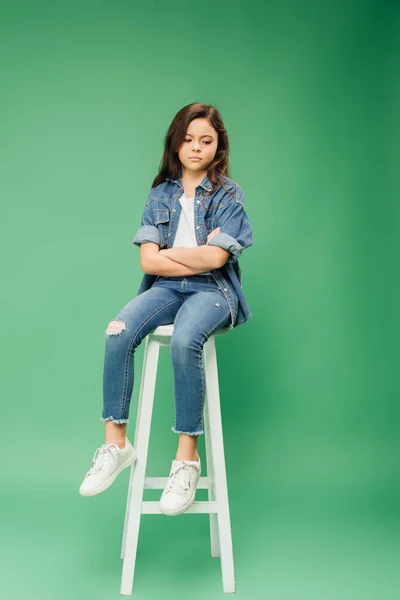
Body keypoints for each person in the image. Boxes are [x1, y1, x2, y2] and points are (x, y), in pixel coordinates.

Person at [79, 102, 254, 516]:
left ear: (218, 146)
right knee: (118, 330)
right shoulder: (160, 193)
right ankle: (116, 444)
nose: (196, 148)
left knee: (185, 339)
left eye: (206, 141)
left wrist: (175, 253)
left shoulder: (230, 195)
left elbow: (215, 263)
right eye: (188, 140)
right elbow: (148, 262)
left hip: (211, 292)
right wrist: (197, 251)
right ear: (176, 144)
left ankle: (187, 460)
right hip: (165, 289)